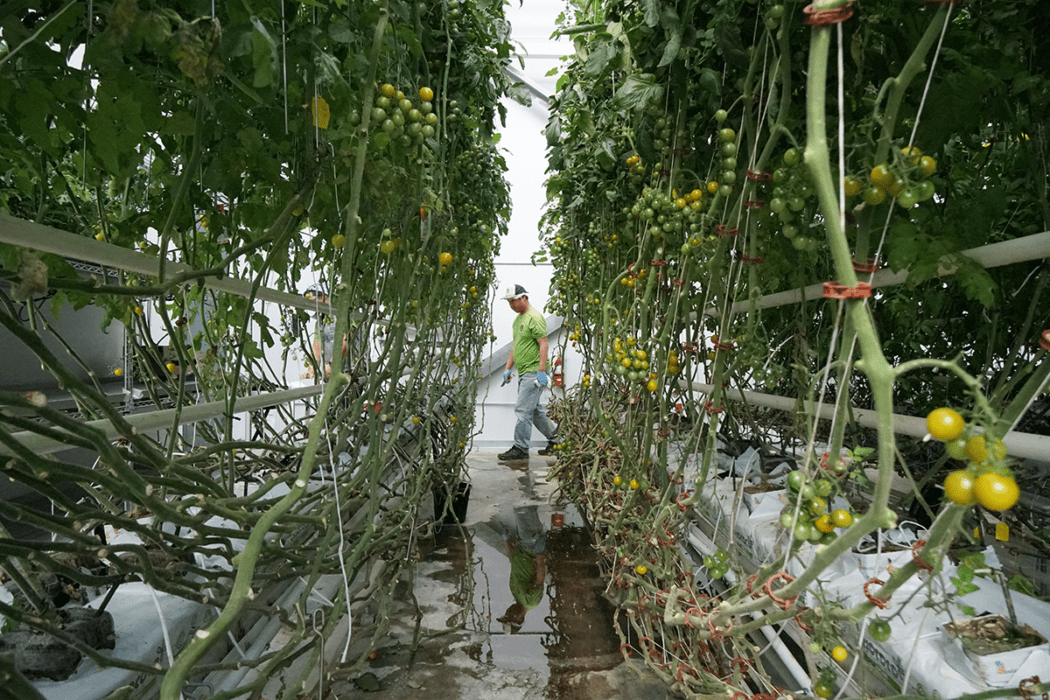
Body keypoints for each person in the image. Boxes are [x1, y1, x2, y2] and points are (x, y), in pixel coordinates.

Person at [498, 285, 559, 460]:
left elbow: (543, 344)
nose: (511, 305)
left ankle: (520, 448)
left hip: (534, 371)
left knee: (523, 411)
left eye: (513, 300)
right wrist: (507, 368)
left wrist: (541, 372)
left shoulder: (535, 318)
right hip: (524, 371)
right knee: (535, 411)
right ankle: (557, 441)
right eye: (509, 301)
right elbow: (515, 346)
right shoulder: (518, 321)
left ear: (524, 297)